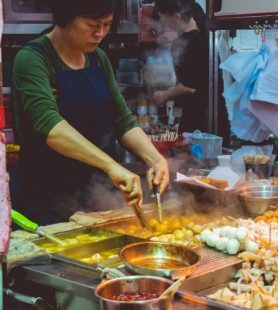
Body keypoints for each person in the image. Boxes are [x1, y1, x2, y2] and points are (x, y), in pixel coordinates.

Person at [11, 0, 169, 224]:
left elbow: (122, 120)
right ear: (66, 16)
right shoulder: (32, 59)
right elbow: (50, 126)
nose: (101, 33)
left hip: (96, 197)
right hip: (46, 199)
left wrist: (155, 159)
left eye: (107, 24)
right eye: (92, 24)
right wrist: (111, 166)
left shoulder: (99, 59)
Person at [152, 0, 209, 133]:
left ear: (176, 17)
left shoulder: (188, 42)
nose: (163, 25)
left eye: (163, 19)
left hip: (197, 120)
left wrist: (164, 95)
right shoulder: (204, 36)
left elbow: (189, 86)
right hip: (213, 116)